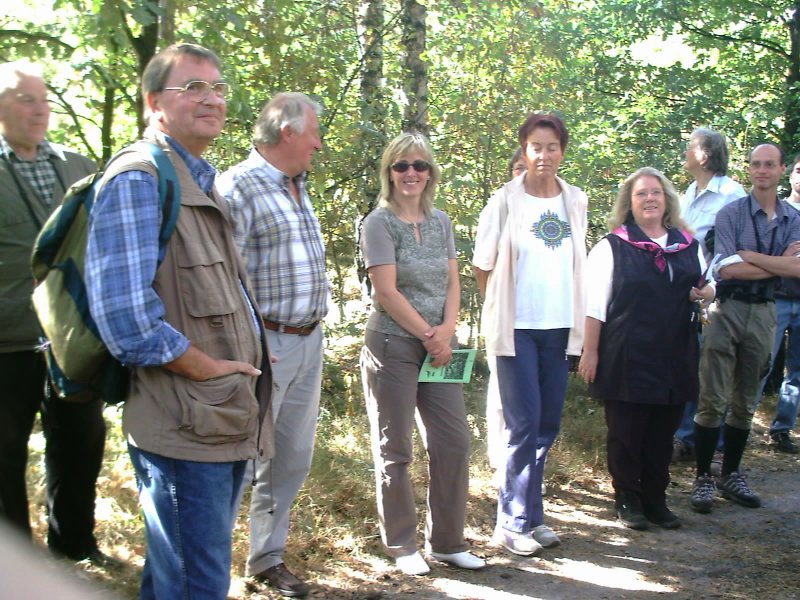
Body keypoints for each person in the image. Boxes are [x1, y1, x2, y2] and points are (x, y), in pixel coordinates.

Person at [84, 43, 272, 599]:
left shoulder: (196, 179)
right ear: (153, 103)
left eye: (217, 87)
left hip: (217, 417)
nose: (211, 98)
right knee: (196, 586)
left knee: (180, 579)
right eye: (192, 87)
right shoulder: (139, 179)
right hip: (184, 425)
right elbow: (125, 317)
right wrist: (205, 368)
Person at [360, 131, 485, 576]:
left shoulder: (441, 221)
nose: (411, 173)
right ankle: (401, 544)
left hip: (439, 349)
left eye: (419, 165)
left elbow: (453, 281)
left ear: (430, 173)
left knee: (453, 441)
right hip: (392, 344)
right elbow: (386, 292)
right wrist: (430, 336)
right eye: (401, 166)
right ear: (389, 173)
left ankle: (448, 543)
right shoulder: (378, 223)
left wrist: (446, 333)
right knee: (395, 448)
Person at [217, 92, 327, 598]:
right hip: (266, 348)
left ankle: (265, 559)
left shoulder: (296, 184)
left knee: (291, 458)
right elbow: (224, 279)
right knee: (239, 462)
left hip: (308, 341)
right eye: (313, 134)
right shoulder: (238, 186)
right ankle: (207, 568)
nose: (318, 144)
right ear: (288, 132)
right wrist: (251, 343)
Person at [0, 61, 110, 564]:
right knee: (5, 454)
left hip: (73, 339)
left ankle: (74, 545)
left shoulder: (77, 166)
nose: (39, 110)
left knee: (80, 444)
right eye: (26, 99)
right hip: (8, 340)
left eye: (43, 99)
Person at [473, 113, 587, 556]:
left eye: (552, 146)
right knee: (522, 425)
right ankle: (510, 523)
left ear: (562, 151)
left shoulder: (574, 200)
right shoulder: (503, 201)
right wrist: (501, 309)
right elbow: (482, 266)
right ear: (525, 149)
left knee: (546, 425)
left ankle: (532, 517)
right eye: (536, 147)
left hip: (559, 329)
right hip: (517, 329)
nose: (544, 155)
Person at [578, 167, 714, 530]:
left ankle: (656, 499)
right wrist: (590, 352)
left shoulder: (688, 244)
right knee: (626, 433)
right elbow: (595, 306)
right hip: (626, 355)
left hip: (674, 353)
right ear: (629, 203)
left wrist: (708, 292)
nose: (649, 198)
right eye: (641, 194)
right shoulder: (611, 247)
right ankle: (627, 498)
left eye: (656, 192)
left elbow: (708, 284)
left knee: (662, 433)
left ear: (667, 199)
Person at [690, 143, 800, 514]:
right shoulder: (731, 213)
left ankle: (730, 473)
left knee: (745, 399)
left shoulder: (793, 218)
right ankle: (703, 477)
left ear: (781, 170)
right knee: (712, 397)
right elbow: (726, 269)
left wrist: (751, 257)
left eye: (769, 164)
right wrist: (777, 262)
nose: (762, 170)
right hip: (727, 308)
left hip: (766, 310)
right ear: (749, 169)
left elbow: (798, 268)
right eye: (756, 164)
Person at [672, 128, 745, 463]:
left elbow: (733, 249)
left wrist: (712, 286)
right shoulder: (688, 193)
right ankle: (687, 436)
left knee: (712, 368)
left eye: (690, 147)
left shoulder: (731, 193)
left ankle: (709, 442)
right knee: (689, 362)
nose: (685, 153)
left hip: (718, 294)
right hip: (688, 293)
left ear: (705, 154)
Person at [752, 153, 800, 454]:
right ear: (789, 174)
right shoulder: (777, 210)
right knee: (761, 364)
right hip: (777, 297)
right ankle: (739, 427)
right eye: (799, 170)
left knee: (797, 372)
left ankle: (782, 429)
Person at [484, 147, 526, 472]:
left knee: (532, 396)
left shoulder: (558, 205)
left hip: (543, 319)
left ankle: (527, 465)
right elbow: (482, 265)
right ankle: (502, 463)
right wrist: (496, 303)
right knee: (503, 391)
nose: (524, 173)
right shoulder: (499, 204)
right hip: (504, 314)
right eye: (518, 168)